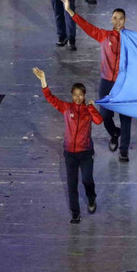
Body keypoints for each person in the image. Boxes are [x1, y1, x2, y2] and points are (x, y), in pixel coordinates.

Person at [62, 0, 132, 161]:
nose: (117, 21)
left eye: (121, 19)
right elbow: (86, 26)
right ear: (111, 19)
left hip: (124, 84)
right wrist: (70, 11)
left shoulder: (131, 40)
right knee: (105, 117)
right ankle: (114, 133)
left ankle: (124, 151)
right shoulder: (103, 36)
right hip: (107, 82)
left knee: (126, 118)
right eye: (115, 18)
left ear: (125, 20)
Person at [32, 67, 103, 224]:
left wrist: (91, 107)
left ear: (84, 95)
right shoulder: (66, 108)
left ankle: (91, 199)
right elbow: (50, 98)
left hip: (85, 153)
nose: (78, 97)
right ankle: (75, 214)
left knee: (87, 180)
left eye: (80, 95)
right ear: (72, 96)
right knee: (72, 185)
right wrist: (43, 80)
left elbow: (99, 121)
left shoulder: (87, 110)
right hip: (70, 154)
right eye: (75, 95)